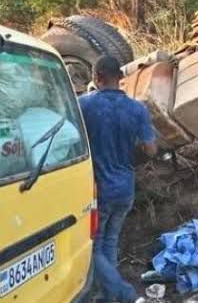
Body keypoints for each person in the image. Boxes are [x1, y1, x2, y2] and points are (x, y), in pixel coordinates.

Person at [79, 56, 157, 303]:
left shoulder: (84, 105)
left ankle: (124, 293)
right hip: (125, 189)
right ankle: (108, 295)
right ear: (120, 78)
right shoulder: (137, 109)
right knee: (110, 241)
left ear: (98, 77)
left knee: (90, 247)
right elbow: (151, 149)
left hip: (99, 191)